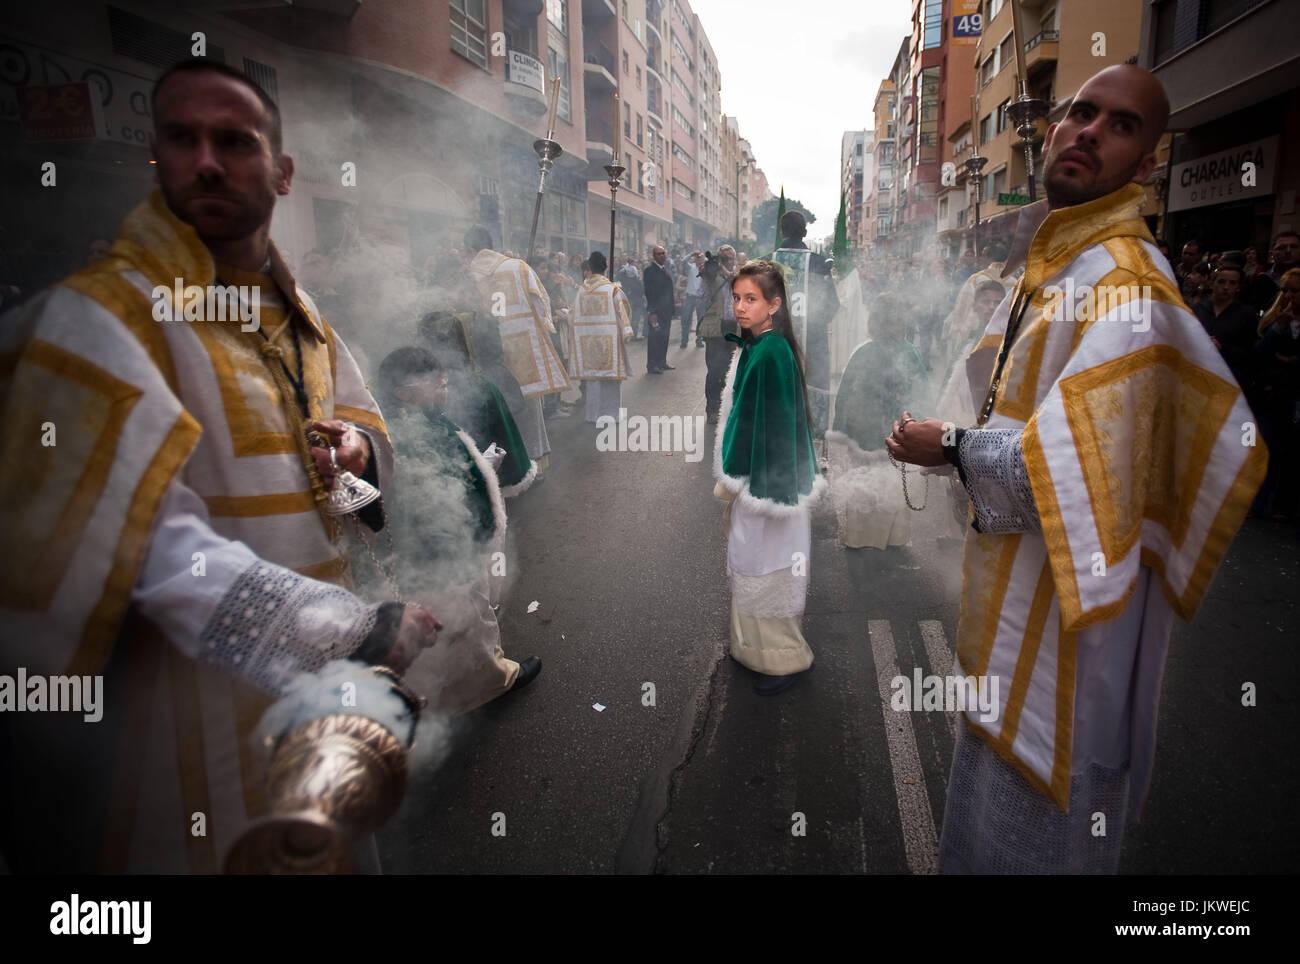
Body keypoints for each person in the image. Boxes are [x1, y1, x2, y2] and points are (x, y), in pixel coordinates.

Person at [0, 59, 443, 873]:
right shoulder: (99, 319)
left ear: (281, 173)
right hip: (179, 717)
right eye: (183, 138)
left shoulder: (303, 317)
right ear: (157, 159)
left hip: (318, 712)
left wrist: (355, 451)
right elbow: (141, 548)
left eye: (234, 141)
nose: (207, 160)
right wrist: (354, 628)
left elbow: (367, 438)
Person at [887, 64, 1266, 874]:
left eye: (1119, 124)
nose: (1088, 130)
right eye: (1078, 112)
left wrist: (950, 448)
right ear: (1051, 129)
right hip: (1017, 617)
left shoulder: (1127, 288)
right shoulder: (1062, 266)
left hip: (1065, 642)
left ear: (1145, 161)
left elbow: (1065, 474)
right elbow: (996, 381)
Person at [375, 347, 541, 714]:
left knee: (446, 620)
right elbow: (429, 497)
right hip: (448, 547)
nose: (443, 381)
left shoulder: (421, 420)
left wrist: (479, 466)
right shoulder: (411, 434)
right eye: (431, 379)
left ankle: (435, 694)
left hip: (438, 548)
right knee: (469, 616)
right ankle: (491, 682)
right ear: (402, 392)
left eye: (442, 373)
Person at [713, 260, 824, 697]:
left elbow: (767, 425)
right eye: (737, 298)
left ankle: (784, 659)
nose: (740, 307)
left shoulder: (772, 351)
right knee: (752, 559)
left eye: (751, 299)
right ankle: (751, 649)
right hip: (760, 481)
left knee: (769, 564)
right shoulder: (757, 344)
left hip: (770, 484)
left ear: (774, 305)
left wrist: (740, 476)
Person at [465, 226, 572, 478]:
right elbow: (541, 301)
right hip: (523, 345)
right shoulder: (518, 267)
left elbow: (474, 313)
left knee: (501, 408)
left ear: (472, 249)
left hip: (489, 349)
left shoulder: (468, 275)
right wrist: (542, 329)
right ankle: (535, 462)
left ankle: (511, 467)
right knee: (529, 404)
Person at [827, 292, 930, 549]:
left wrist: (843, 429)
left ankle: (861, 538)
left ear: (873, 321)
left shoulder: (863, 352)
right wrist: (923, 427)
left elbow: (846, 394)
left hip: (866, 432)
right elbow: (922, 393)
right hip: (901, 431)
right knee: (894, 483)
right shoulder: (912, 352)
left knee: (865, 482)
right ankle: (894, 537)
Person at [772, 210, 839, 437]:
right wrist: (813, 326)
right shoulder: (820, 265)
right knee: (813, 390)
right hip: (813, 344)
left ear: (782, 231)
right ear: (804, 232)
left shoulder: (765, 263)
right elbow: (832, 305)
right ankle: (814, 435)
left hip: (774, 343)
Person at [1251, 268, 1300, 520]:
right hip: (1273, 396)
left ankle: (1284, 504)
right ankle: (1258, 501)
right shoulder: (1273, 321)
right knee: (1267, 447)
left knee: (1291, 453)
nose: (1290, 296)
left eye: (1295, 291)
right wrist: (1278, 328)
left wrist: (1288, 360)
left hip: (1294, 396)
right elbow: (1259, 354)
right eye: (1286, 290)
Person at [569, 251, 633, 423]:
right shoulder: (612, 289)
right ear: (606, 267)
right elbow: (624, 312)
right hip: (608, 342)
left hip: (588, 342)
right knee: (610, 379)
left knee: (593, 379)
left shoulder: (581, 290)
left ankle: (592, 415)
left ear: (589, 267)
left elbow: (572, 316)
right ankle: (611, 415)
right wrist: (625, 332)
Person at [1192, 264, 1261, 394]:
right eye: (1221, 282)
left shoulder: (1246, 314)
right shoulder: (1198, 309)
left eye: (1232, 283)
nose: (1226, 287)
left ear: (1238, 287)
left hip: (1229, 378)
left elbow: (1249, 351)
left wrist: (1222, 347)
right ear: (1213, 283)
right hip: (1198, 373)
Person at [696, 246, 738, 424]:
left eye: (729, 258)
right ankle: (712, 408)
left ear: (734, 260)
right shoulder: (710, 277)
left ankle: (725, 405)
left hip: (733, 328)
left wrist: (726, 272)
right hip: (714, 329)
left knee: (729, 370)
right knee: (714, 370)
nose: (726, 261)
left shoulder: (738, 276)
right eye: (723, 258)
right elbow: (701, 299)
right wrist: (707, 278)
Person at [643, 244, 676, 373]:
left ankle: (662, 362)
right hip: (656, 312)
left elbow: (668, 291)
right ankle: (652, 365)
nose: (662, 256)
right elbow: (649, 292)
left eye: (663, 253)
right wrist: (652, 312)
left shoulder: (664, 269)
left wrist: (672, 309)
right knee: (654, 339)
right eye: (659, 254)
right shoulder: (650, 271)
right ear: (654, 256)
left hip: (666, 311)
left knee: (664, 337)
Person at [681, 251, 704, 349]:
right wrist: (692, 253)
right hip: (690, 297)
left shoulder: (705, 269)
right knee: (686, 320)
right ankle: (684, 341)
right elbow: (683, 261)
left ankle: (699, 340)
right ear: (695, 260)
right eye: (697, 258)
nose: (699, 260)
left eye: (700, 258)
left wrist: (703, 257)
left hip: (700, 298)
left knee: (701, 321)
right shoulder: (691, 267)